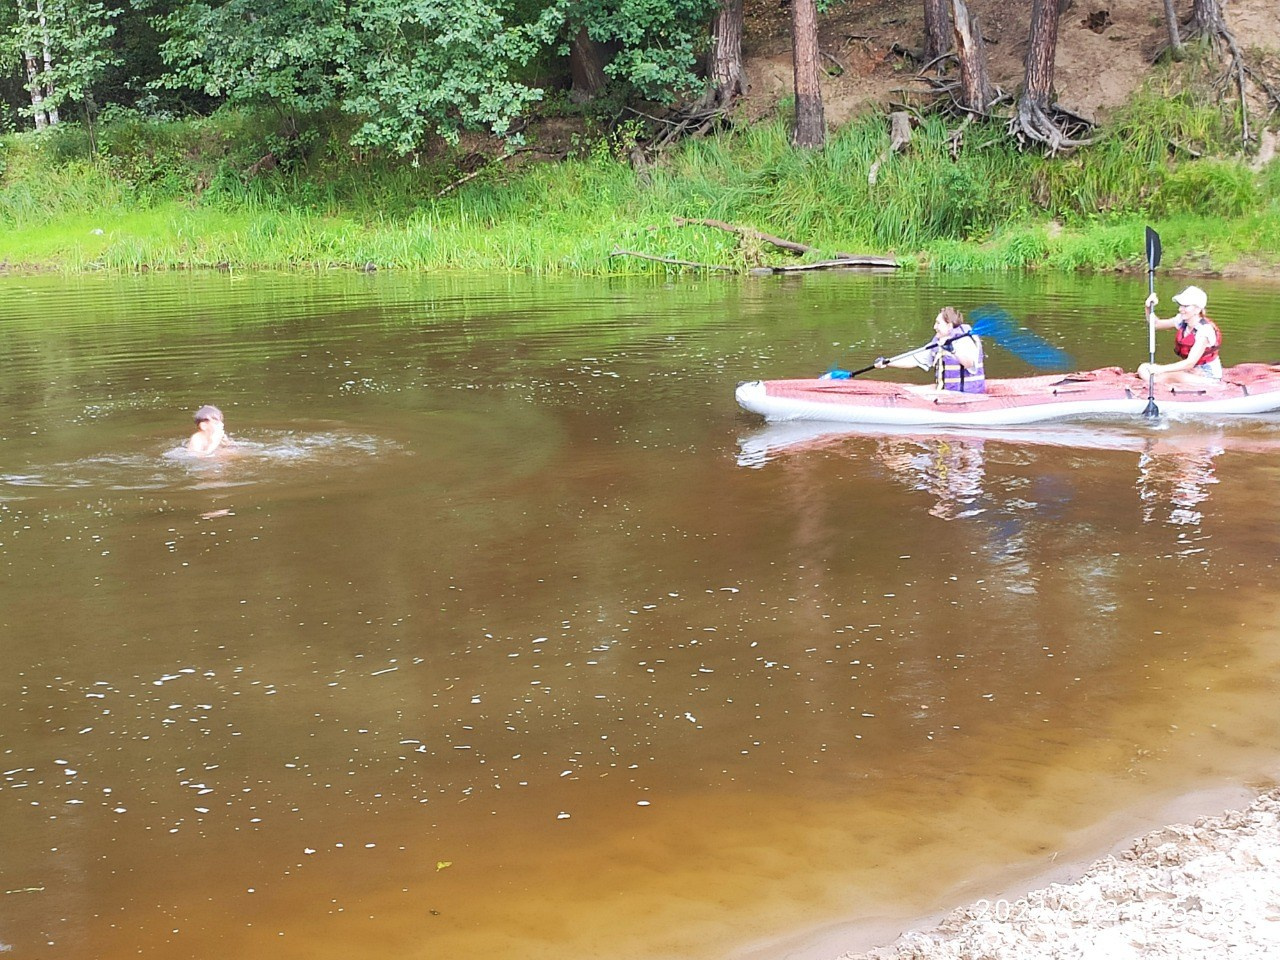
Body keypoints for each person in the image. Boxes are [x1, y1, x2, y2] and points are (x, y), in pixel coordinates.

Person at [874, 306, 986, 394]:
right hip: (947, 392)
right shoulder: (939, 342)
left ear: (949, 326)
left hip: (967, 394)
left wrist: (953, 350)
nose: (934, 327)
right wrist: (887, 362)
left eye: (938, 323)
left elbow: (970, 364)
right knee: (910, 391)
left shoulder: (965, 340)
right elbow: (913, 359)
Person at [1137, 285, 1223, 385]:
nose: (1180, 309)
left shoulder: (1204, 330)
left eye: (1186, 306)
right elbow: (1156, 324)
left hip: (1208, 377)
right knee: (1143, 368)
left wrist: (1160, 369)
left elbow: (1189, 363)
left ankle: (1158, 381)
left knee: (1170, 376)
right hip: (1192, 371)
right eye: (1181, 305)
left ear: (1197, 309)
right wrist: (1148, 308)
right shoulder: (1182, 320)